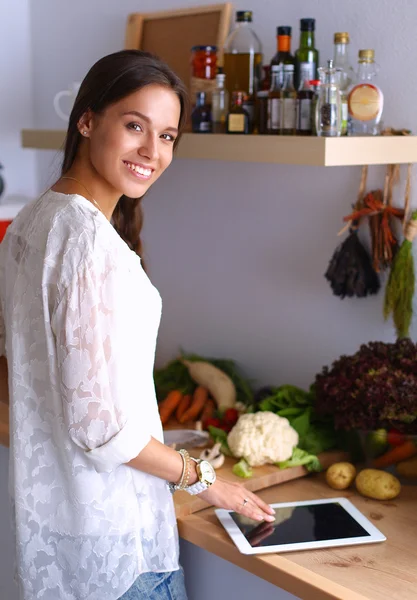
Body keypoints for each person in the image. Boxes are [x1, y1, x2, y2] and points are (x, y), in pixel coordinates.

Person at [0, 50, 275, 600]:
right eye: (134, 126)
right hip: (118, 547)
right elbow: (101, 429)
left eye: (168, 136)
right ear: (87, 120)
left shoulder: (30, 222)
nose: (153, 152)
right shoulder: (87, 243)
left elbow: (15, 370)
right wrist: (207, 480)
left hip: (56, 531)